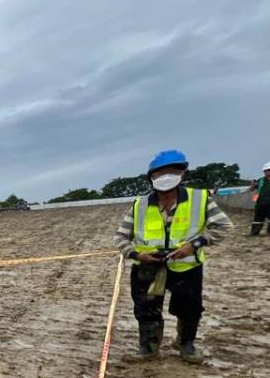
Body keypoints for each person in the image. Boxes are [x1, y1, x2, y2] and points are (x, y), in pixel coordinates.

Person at [113, 150, 233, 364]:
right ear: (152, 176)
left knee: (189, 308)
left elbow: (223, 226)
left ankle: (186, 344)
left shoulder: (200, 199)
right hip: (147, 267)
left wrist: (194, 245)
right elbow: (121, 236)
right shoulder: (140, 205)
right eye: (161, 172)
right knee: (146, 308)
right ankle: (148, 347)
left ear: (183, 173)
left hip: (186, 267)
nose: (167, 175)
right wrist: (136, 254)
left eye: (173, 170)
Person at [248, 162, 270, 236]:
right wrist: (252, 185)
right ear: (264, 171)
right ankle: (254, 233)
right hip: (260, 202)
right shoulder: (260, 180)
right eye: (268, 170)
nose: (269, 171)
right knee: (258, 218)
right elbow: (252, 190)